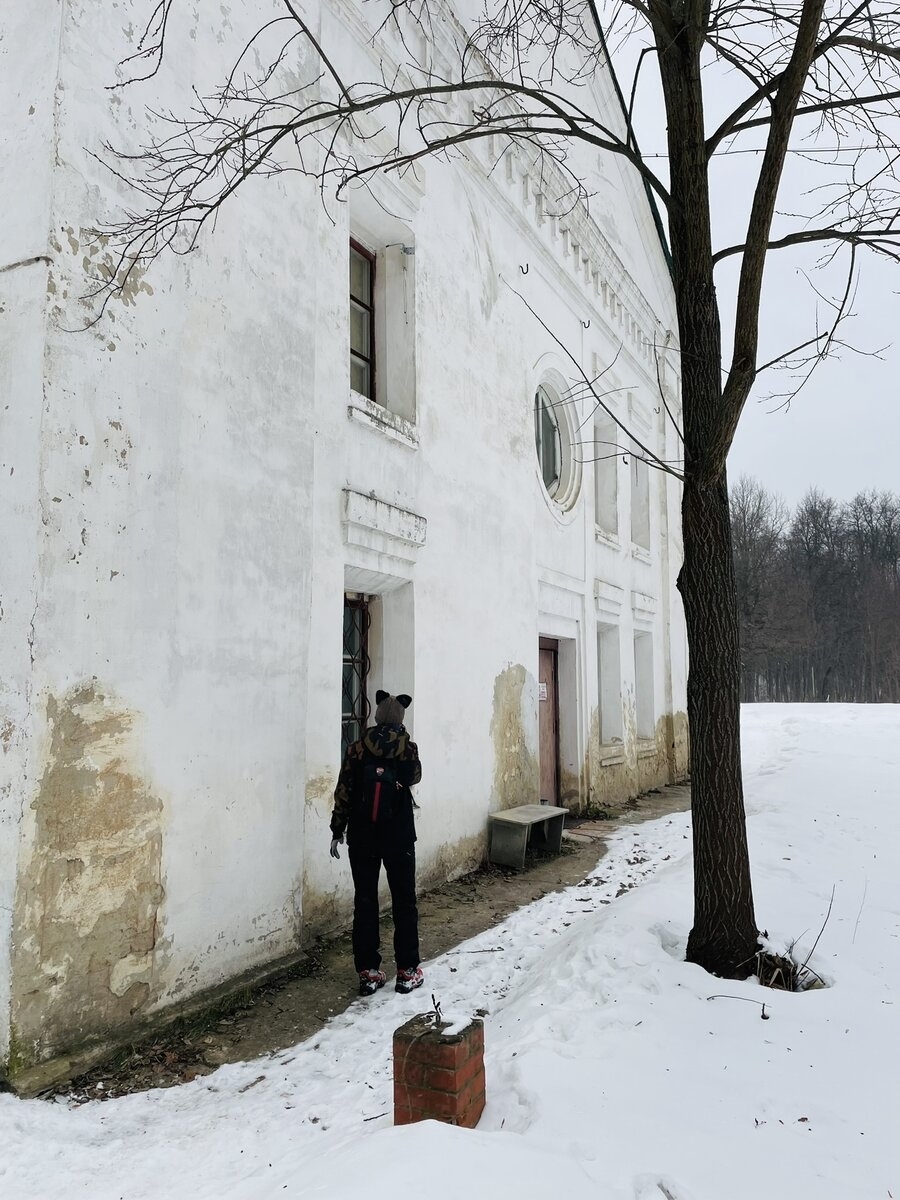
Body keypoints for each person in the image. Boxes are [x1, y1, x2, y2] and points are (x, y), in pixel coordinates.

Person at [330, 690, 424, 996]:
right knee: (404, 901)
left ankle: (369, 973)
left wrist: (337, 829)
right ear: (400, 718)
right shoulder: (407, 749)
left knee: (365, 902)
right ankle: (408, 971)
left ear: (376, 716)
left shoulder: (357, 749)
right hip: (398, 836)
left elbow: (344, 789)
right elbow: (415, 777)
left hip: (362, 836)